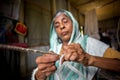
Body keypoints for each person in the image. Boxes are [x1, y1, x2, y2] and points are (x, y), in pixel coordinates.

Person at [32, 9, 120, 80]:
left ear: (74, 23)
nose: (61, 26)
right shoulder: (53, 49)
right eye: (57, 25)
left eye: (65, 21)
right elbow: (38, 74)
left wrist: (90, 59)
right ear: (55, 32)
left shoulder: (89, 42)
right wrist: (39, 76)